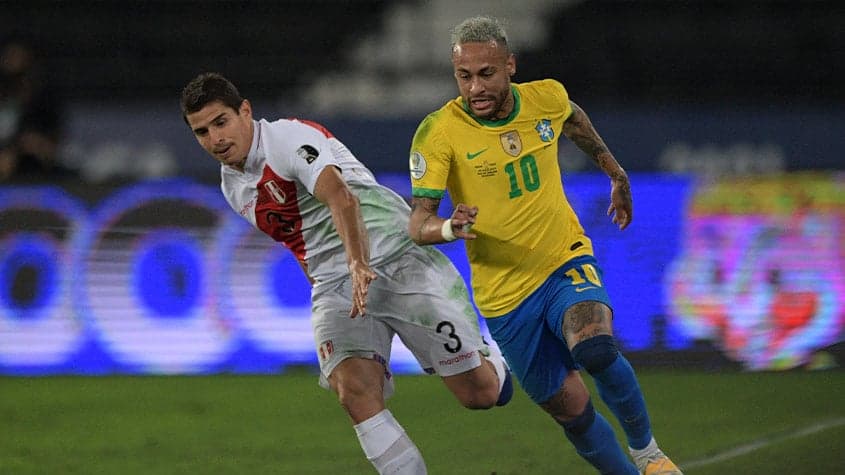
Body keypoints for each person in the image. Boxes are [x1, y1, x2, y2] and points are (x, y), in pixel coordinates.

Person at [180, 72, 512, 475]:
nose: (215, 139)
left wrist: (358, 263)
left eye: (221, 122)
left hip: (393, 259)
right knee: (352, 390)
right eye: (201, 132)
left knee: (479, 395)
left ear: (245, 111)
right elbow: (298, 242)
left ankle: (494, 360)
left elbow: (342, 197)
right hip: (337, 287)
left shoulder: (287, 140)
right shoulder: (233, 187)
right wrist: (326, 281)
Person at [407, 16, 682, 475]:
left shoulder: (546, 97)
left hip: (562, 260)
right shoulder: (438, 132)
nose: (475, 87)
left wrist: (615, 172)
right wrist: (449, 229)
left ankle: (649, 454)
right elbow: (418, 223)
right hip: (504, 296)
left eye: (486, 73)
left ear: (510, 65)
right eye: (464, 76)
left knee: (594, 348)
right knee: (571, 409)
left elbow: (574, 120)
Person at [0, 39, 73, 182]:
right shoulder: (5, 98)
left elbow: (52, 147)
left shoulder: (43, 103)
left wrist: (26, 145)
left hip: (31, 166)